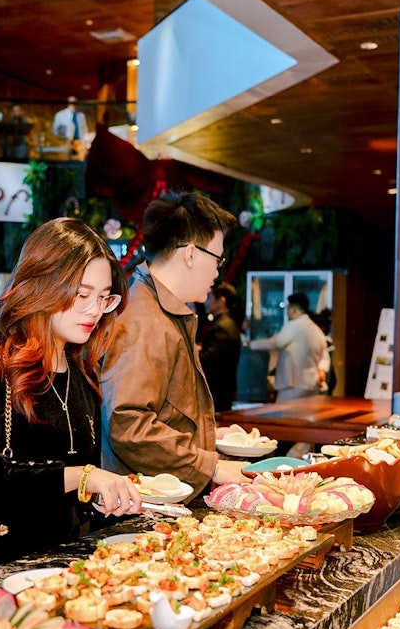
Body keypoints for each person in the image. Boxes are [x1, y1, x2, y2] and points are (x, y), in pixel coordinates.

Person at [0, 218, 143, 585]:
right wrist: (82, 477)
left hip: (55, 569)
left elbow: (78, 481)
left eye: (103, 297)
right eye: (82, 294)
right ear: (44, 284)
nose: (94, 309)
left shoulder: (81, 372)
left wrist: (99, 496)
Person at [100, 191, 250, 498]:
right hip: (144, 505)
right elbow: (128, 425)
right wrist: (211, 466)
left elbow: (165, 411)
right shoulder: (144, 319)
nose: (218, 271)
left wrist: (208, 435)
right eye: (217, 258)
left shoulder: (162, 308)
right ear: (191, 254)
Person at [248, 292, 328, 403]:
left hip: (293, 383)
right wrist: (322, 370)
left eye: (288, 309)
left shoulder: (294, 325)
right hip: (312, 384)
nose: (287, 312)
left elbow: (276, 342)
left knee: (282, 415)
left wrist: (251, 344)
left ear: (294, 309)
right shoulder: (316, 329)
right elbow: (324, 354)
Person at [199, 283, 243, 412]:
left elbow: (207, 360)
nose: (206, 302)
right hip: (223, 391)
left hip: (217, 392)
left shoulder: (222, 326)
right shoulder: (227, 323)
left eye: (210, 298)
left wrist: (193, 350)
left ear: (221, 301)